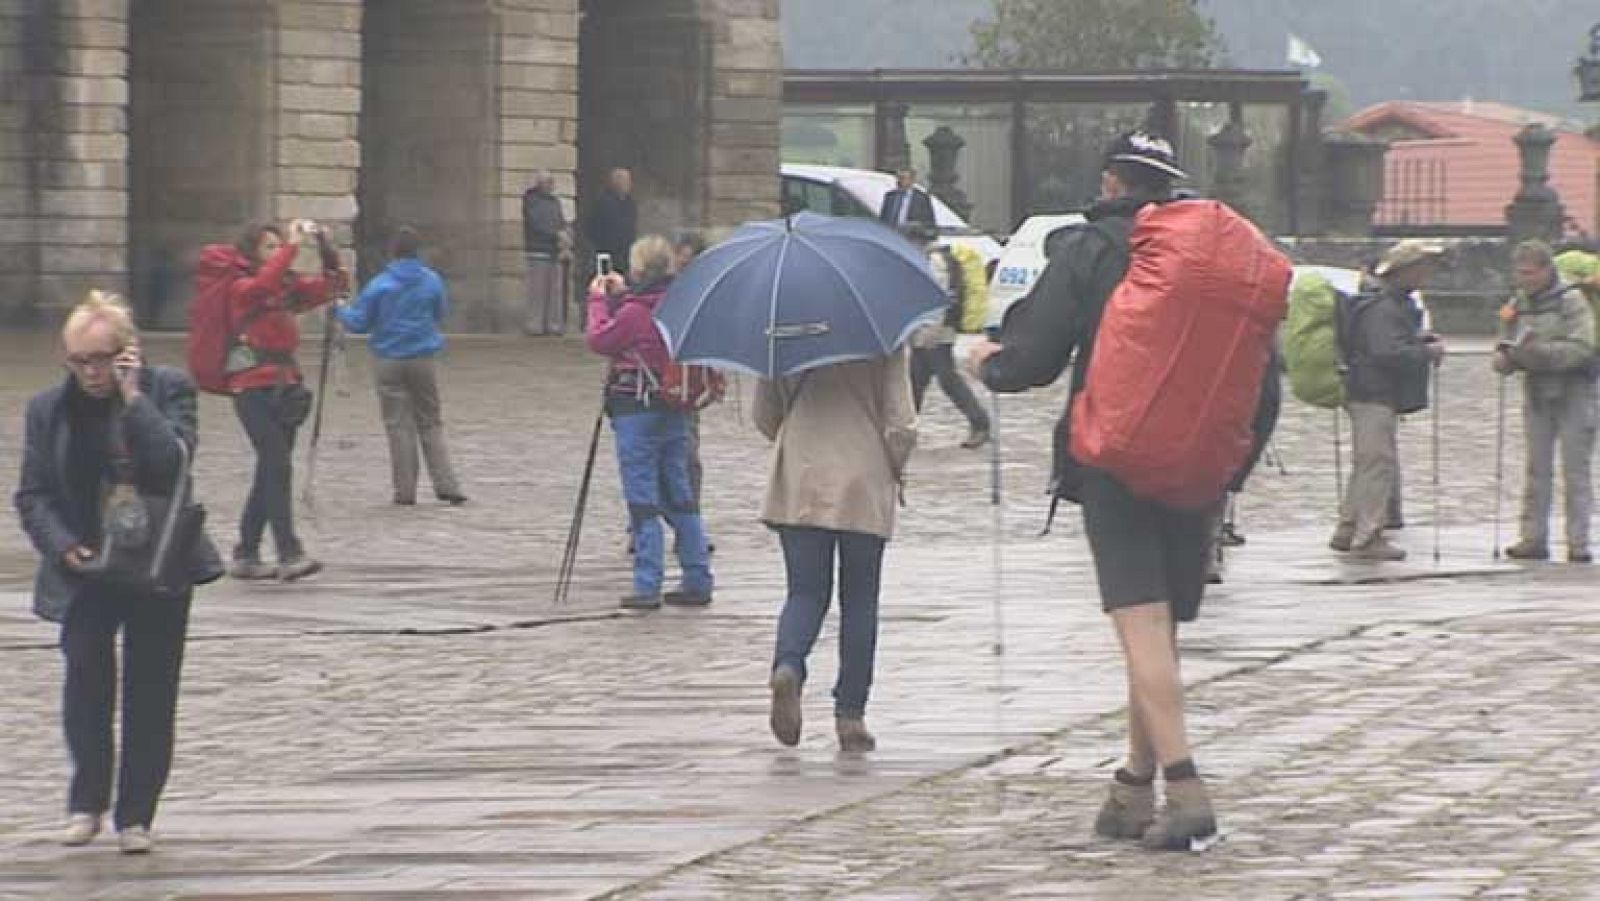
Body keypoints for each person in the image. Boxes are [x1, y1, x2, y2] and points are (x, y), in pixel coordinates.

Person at [967, 131, 1220, 850]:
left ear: (1111, 182)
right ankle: (1134, 787)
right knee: (1160, 630)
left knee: (1141, 627)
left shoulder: (1087, 247)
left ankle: (1186, 786)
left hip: (1117, 457)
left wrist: (990, 363)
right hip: (1199, 460)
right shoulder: (1200, 253)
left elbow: (1035, 357)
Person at [14, 292, 223, 854]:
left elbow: (174, 460)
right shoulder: (47, 410)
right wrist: (62, 548)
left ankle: (136, 816)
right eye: (79, 361)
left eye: (102, 359)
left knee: (151, 691)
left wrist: (135, 401)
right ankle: (86, 803)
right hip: (86, 568)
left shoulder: (167, 389)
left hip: (157, 565)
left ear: (128, 354)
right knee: (85, 684)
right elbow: (31, 495)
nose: (91, 373)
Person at [754, 349, 916, 753]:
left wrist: (796, 438)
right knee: (860, 600)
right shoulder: (884, 338)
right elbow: (901, 424)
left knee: (805, 591)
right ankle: (850, 715)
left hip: (801, 472)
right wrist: (895, 468)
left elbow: (764, 413)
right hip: (863, 473)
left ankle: (789, 665)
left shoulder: (781, 329)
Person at [586, 235, 714, 610]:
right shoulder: (680, 307)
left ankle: (648, 583)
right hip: (675, 408)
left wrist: (598, 301)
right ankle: (697, 577)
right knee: (680, 496)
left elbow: (600, 340)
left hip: (636, 411)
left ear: (638, 269)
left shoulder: (634, 312)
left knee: (642, 499)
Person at [221, 220, 345, 581]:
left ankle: (245, 551)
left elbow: (334, 286)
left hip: (285, 387)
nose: (278, 252)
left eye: (279, 246)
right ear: (252, 253)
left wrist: (325, 248)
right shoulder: (241, 287)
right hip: (250, 387)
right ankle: (289, 552)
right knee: (277, 464)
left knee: (270, 469)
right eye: (269, 247)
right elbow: (263, 284)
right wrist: (292, 246)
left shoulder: (287, 289)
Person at [1328, 240, 1447, 562]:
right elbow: (1386, 352)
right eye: (1423, 268)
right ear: (1404, 271)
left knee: (1367, 463)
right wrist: (1426, 351)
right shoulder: (1383, 307)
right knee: (1377, 465)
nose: (1427, 275)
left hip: (1370, 392)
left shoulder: (1384, 303)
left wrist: (1415, 340)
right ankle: (1369, 536)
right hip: (1373, 393)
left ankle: (1348, 528)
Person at [335, 226, 467, 507]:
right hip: (422, 358)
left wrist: (338, 309)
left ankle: (405, 490)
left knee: (398, 425)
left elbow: (359, 323)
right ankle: (446, 484)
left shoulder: (380, 284)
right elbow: (440, 312)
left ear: (392, 252)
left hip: (389, 359)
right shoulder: (431, 280)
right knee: (430, 422)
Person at [1494, 240, 1596, 563]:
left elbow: (1584, 347)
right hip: (1536, 391)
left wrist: (1541, 353)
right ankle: (1532, 538)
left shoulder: (1572, 300)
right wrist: (1505, 359)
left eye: (1530, 273)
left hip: (1574, 391)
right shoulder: (1517, 303)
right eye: (1519, 272)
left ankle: (1578, 542)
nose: (1524, 279)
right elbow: (1504, 339)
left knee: (1575, 469)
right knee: (1537, 468)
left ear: (1546, 269)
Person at [911, 226, 991, 449]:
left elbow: (937, 300)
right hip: (926, 331)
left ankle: (980, 422)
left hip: (936, 332)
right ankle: (906, 430)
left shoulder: (934, 261)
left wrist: (929, 333)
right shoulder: (929, 258)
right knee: (915, 381)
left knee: (947, 379)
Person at [523, 171, 571, 336]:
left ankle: (554, 324)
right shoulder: (532, 201)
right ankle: (534, 324)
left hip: (555, 250)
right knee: (537, 290)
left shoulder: (555, 202)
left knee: (555, 290)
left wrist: (565, 233)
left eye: (552, 182)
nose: (551, 185)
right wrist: (555, 233)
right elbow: (537, 223)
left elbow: (561, 220)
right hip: (538, 249)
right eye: (548, 182)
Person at [585, 167, 638, 276]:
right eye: (625, 181)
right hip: (606, 251)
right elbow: (592, 227)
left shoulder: (630, 202)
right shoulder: (603, 202)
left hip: (625, 253)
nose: (629, 184)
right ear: (616, 182)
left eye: (629, 181)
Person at [878, 168, 936, 232]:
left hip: (911, 237)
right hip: (891, 236)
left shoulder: (922, 198)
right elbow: (883, 219)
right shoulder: (890, 196)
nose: (899, 181)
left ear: (912, 180)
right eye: (898, 178)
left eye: (903, 178)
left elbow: (929, 223)